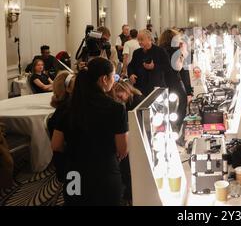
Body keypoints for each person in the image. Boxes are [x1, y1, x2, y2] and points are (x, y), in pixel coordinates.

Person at [53, 58, 128, 206]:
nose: (114, 80)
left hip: (74, 174)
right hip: (105, 173)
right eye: (113, 76)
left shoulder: (66, 108)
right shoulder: (116, 109)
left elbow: (56, 145)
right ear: (104, 79)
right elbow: (122, 149)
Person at [158, 29, 189, 134]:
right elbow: (179, 68)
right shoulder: (176, 51)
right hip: (175, 82)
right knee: (179, 110)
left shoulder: (160, 50)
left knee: (166, 112)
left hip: (163, 83)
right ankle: (176, 131)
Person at [49, 71, 76, 181]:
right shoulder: (66, 112)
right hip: (69, 168)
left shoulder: (65, 108)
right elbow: (57, 146)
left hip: (66, 161)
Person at [128, 30, 170, 96]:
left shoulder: (160, 51)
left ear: (149, 38)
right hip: (140, 88)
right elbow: (131, 66)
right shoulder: (136, 52)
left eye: (141, 39)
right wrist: (131, 74)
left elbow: (167, 67)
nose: (139, 42)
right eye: (138, 40)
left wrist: (154, 67)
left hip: (156, 87)